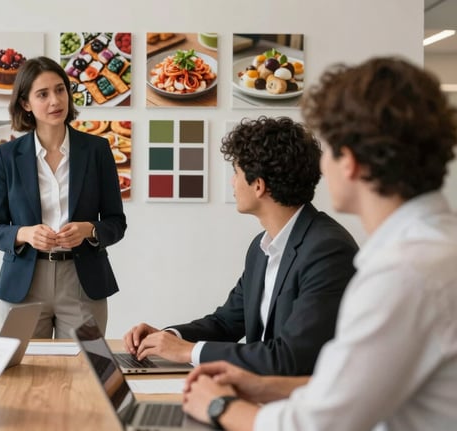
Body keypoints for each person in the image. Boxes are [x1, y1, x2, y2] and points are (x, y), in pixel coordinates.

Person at [182, 57, 457, 431]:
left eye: (327, 150)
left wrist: (218, 406)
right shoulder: (430, 251)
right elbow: (357, 388)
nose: (320, 167)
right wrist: (262, 385)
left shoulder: (403, 272)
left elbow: (318, 424)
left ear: (350, 161)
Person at [124, 116, 358, 375]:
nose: (232, 182)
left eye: (236, 173)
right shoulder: (262, 246)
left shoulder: (327, 251)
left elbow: (291, 358)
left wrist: (188, 352)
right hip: (260, 388)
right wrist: (168, 337)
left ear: (258, 186)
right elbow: (226, 323)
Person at [0, 56, 127, 339]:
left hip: (82, 283)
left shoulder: (97, 150)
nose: (55, 101)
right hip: (23, 284)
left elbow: (116, 223)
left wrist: (88, 229)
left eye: (60, 90)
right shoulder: (7, 156)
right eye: (43, 94)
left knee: (86, 362)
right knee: (23, 364)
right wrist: (25, 234)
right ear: (26, 104)